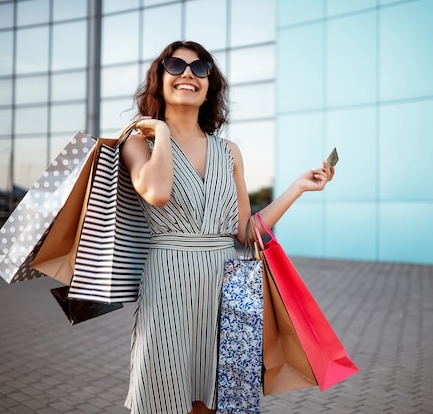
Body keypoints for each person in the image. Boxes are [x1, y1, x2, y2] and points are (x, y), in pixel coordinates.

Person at [121, 41, 335, 414]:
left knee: (218, 402)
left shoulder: (228, 151)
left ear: (210, 86)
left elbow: (246, 234)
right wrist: (164, 132)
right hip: (168, 281)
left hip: (226, 286)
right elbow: (156, 192)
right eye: (176, 65)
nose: (188, 73)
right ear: (159, 80)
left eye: (200, 68)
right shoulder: (139, 142)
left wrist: (298, 188)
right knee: (163, 396)